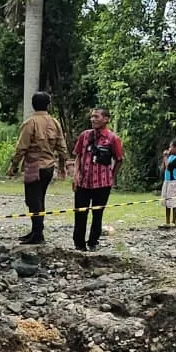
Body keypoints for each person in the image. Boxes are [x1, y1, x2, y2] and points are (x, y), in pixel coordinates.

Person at [10, 92, 69, 245]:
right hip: (49, 167)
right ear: (48, 105)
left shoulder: (30, 123)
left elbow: (21, 148)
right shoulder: (55, 123)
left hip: (33, 167)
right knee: (39, 199)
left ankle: (37, 234)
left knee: (32, 200)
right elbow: (62, 148)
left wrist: (14, 166)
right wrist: (62, 166)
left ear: (33, 105)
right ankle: (36, 231)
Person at [71, 107, 124, 252]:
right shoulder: (85, 135)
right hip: (83, 182)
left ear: (106, 119)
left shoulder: (112, 138)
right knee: (80, 213)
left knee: (97, 214)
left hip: (102, 184)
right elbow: (78, 156)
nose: (93, 119)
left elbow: (119, 159)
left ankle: (93, 241)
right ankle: (79, 244)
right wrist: (75, 175)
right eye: (92, 117)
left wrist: (111, 176)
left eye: (96, 116)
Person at [161, 139, 176, 227]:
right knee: (167, 202)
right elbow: (164, 167)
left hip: (173, 182)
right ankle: (167, 222)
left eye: (171, 147)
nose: (169, 149)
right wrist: (166, 158)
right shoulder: (170, 157)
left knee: (173, 202)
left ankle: (173, 222)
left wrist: (165, 157)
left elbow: (169, 167)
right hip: (167, 181)